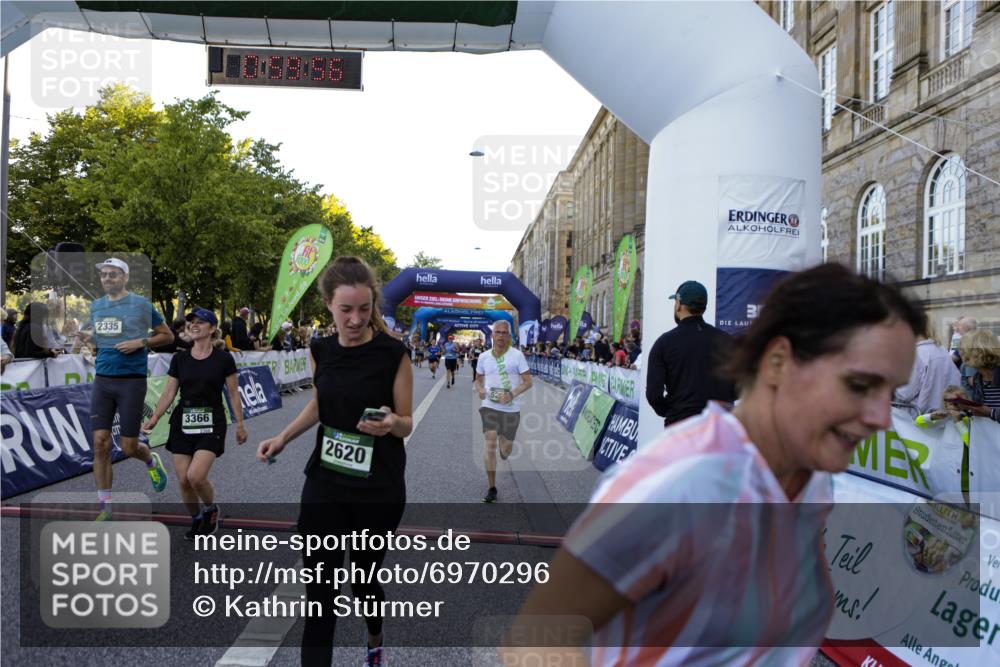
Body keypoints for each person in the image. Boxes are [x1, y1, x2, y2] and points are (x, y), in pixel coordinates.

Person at [502, 263, 925, 665]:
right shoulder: (684, 483)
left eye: (890, 390)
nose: (881, 417)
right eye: (859, 384)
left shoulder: (809, 481)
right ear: (778, 362)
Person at [256, 256, 413, 667]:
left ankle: (374, 638)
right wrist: (283, 438)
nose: (356, 319)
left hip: (378, 487)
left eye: (365, 309)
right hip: (326, 481)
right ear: (328, 304)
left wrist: (392, 422)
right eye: (346, 309)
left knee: (363, 583)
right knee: (319, 593)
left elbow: (407, 422)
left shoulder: (393, 354)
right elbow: (319, 405)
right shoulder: (320, 348)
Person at [79, 258, 173, 520]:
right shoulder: (97, 307)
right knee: (100, 443)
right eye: (104, 275)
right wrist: (87, 338)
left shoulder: (141, 305)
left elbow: (168, 335)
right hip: (103, 380)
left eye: (113, 274)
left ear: (125, 277)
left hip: (131, 380)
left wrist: (140, 342)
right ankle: (105, 508)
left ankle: (151, 461)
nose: (107, 279)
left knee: (129, 446)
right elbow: (101, 336)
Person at [142, 308, 247, 539]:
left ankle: (210, 509)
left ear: (212, 328)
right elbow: (170, 392)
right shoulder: (180, 358)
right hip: (183, 420)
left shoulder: (224, 358)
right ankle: (197, 518)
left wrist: (240, 424)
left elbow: (233, 394)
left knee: (196, 476)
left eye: (201, 322)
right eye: (191, 322)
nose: (194, 325)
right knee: (183, 480)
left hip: (212, 420)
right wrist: (155, 416)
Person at [645, 280, 737, 427]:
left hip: (681, 427)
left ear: (679, 304)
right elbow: (739, 387)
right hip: (721, 428)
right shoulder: (727, 341)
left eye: (675, 302)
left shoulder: (664, 343)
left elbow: (653, 395)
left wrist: (673, 411)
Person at [475, 320, 532, 503]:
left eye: (504, 333)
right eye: (497, 332)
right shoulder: (483, 357)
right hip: (490, 406)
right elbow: (477, 379)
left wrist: (511, 394)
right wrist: (480, 389)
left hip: (511, 409)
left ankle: (504, 447)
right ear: (492, 335)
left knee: (505, 451)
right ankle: (492, 487)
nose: (500, 336)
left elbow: (528, 381)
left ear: (509, 336)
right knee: (489, 442)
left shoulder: (517, 356)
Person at [894, 323, 961, 417]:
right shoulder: (942, 350)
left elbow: (904, 394)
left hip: (918, 421)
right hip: (942, 418)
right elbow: (956, 382)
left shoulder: (915, 354)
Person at [955, 329, 1000, 422]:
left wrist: (990, 412)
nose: (960, 353)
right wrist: (964, 409)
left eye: (962, 349)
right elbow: (981, 411)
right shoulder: (978, 377)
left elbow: (988, 411)